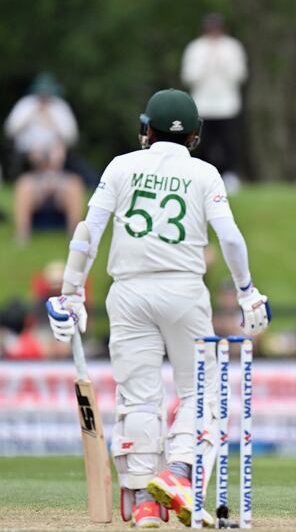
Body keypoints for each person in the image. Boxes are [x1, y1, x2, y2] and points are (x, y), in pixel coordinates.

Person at [45, 89, 271, 528]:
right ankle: (179, 473)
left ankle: (142, 500)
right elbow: (230, 239)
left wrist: (71, 292)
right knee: (199, 392)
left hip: (128, 294)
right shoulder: (205, 174)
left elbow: (87, 232)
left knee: (138, 398)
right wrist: (246, 292)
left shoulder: (122, 165)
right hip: (184, 292)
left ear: (145, 129)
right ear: (196, 136)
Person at [5, 73, 85, 243]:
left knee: (75, 186)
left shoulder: (60, 108)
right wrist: (32, 115)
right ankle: (22, 234)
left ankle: (74, 234)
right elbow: (11, 129)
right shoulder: (25, 106)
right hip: (33, 166)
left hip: (59, 168)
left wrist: (50, 121)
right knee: (24, 187)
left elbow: (70, 136)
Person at [181, 13, 248, 189]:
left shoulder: (232, 47)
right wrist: (206, 64)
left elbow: (240, 75)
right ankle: (201, 176)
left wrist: (223, 63)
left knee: (228, 143)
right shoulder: (195, 48)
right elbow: (188, 76)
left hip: (227, 105)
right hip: (203, 105)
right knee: (203, 142)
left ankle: (230, 176)